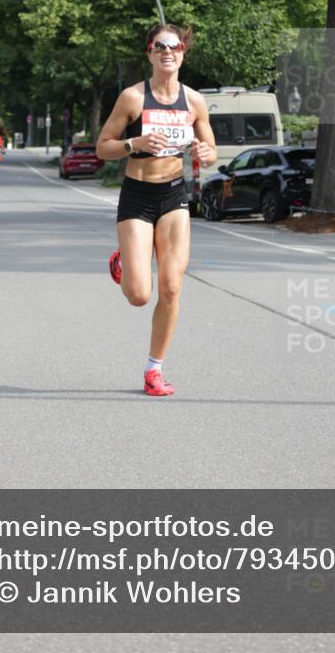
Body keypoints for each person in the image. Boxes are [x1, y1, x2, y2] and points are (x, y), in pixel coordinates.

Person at [96, 23, 216, 397]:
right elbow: (103, 147)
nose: (167, 52)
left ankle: (154, 370)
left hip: (174, 195)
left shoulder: (194, 101)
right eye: (159, 46)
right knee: (138, 295)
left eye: (174, 46)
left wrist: (205, 152)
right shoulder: (133, 98)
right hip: (137, 195)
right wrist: (134, 143)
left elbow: (211, 151)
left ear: (183, 53)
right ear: (149, 53)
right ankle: (124, 259)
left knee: (172, 286)